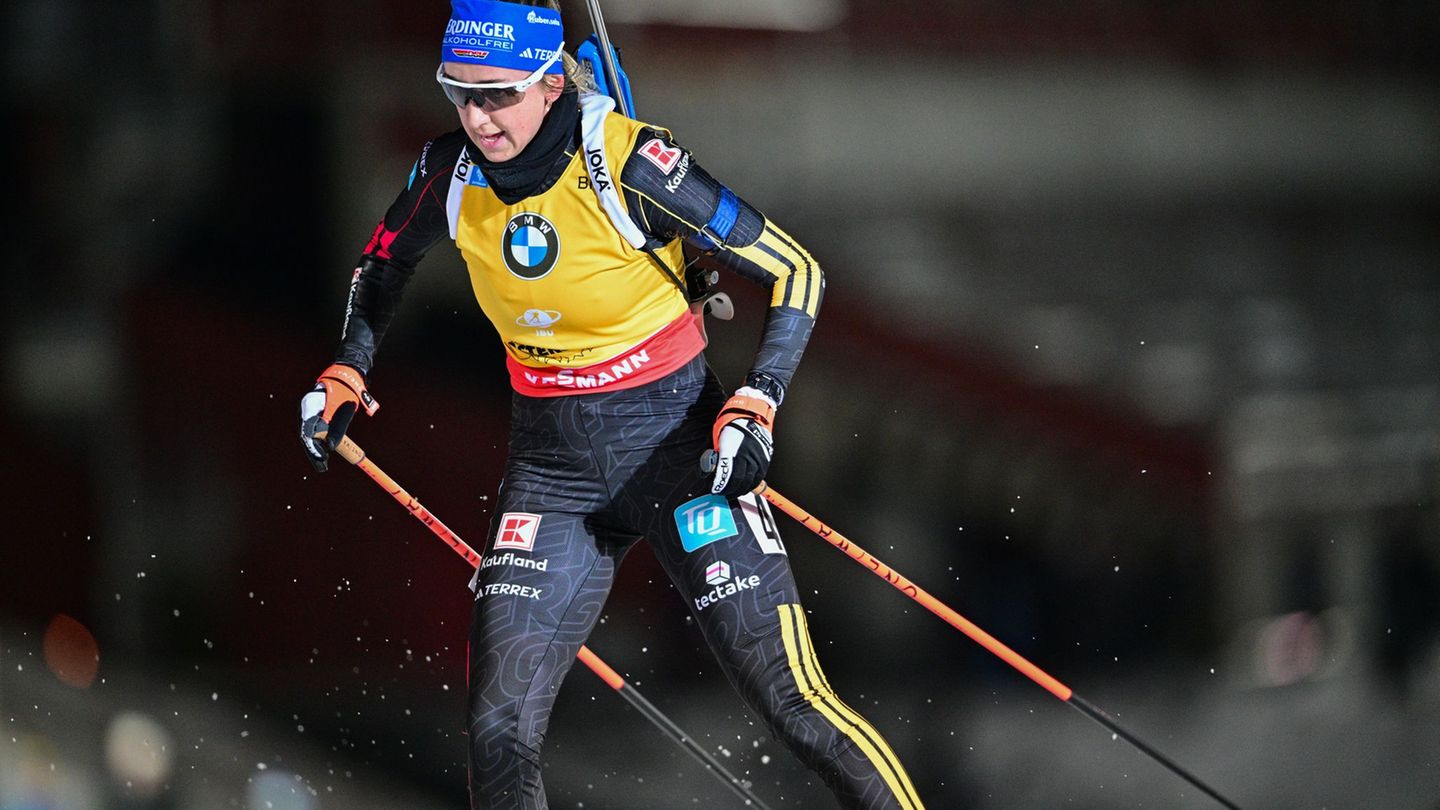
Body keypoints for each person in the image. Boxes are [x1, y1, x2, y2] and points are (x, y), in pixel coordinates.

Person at [298, 1, 924, 807]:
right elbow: (380, 266)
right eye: (459, 93)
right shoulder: (448, 173)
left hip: (680, 453)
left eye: (499, 95)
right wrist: (349, 367)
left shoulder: (630, 163)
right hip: (552, 476)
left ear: (552, 82)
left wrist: (758, 403)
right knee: (496, 736)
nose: (477, 116)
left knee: (796, 707)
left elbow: (798, 270)